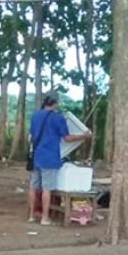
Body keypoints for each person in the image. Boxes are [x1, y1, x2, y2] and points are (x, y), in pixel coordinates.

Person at [27, 93, 91, 225]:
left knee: (33, 186)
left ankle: (31, 216)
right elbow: (67, 138)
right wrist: (84, 136)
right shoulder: (58, 118)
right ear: (55, 103)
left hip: (36, 156)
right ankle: (45, 218)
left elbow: (31, 137)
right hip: (50, 157)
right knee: (47, 189)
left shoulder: (35, 116)